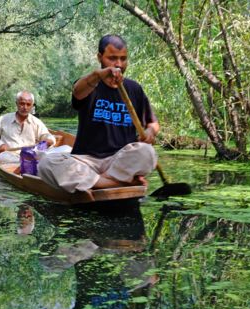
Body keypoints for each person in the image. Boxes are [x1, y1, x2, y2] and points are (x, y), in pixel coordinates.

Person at [38, 34, 159, 197]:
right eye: (112, 58)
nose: (119, 64)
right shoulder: (89, 84)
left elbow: (153, 123)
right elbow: (77, 92)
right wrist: (98, 75)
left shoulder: (134, 89)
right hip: (85, 161)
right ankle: (116, 183)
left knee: (148, 152)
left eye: (123, 59)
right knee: (46, 164)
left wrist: (150, 132)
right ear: (100, 57)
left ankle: (95, 182)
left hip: (119, 161)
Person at [0, 90, 56, 163]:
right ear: (16, 103)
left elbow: (47, 136)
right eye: (22, 103)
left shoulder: (36, 122)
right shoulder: (3, 119)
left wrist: (48, 140)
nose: (25, 107)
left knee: (49, 155)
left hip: (29, 156)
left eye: (28, 104)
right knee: (3, 156)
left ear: (32, 106)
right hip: (9, 156)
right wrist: (0, 145)